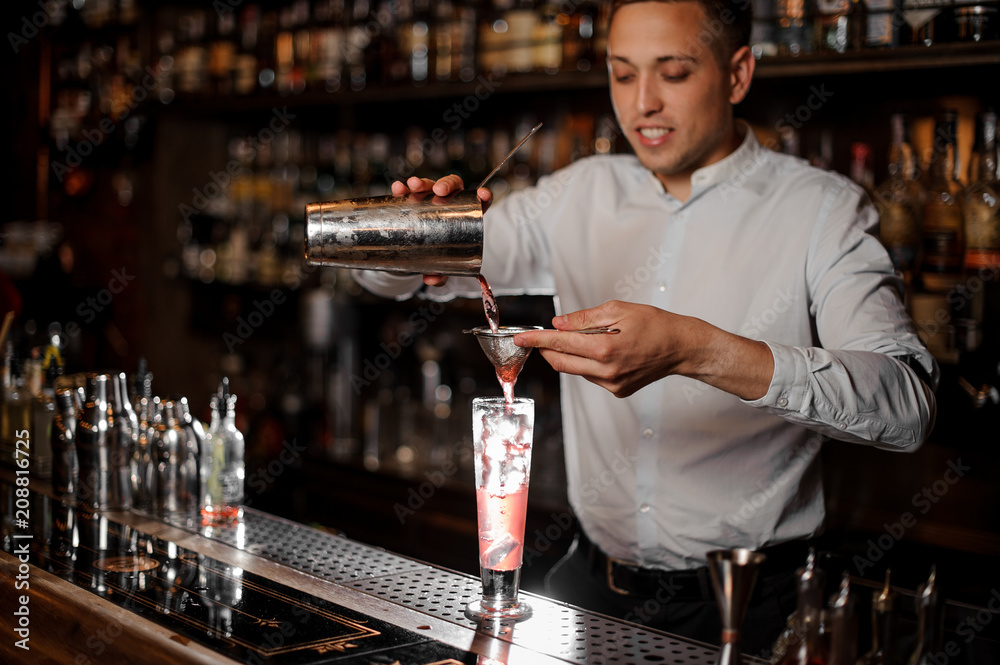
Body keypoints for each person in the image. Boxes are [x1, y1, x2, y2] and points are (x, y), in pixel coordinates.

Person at [355, 0, 938, 653]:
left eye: (674, 73)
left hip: (754, 603)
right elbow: (391, 278)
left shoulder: (823, 211)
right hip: (587, 587)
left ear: (739, 73)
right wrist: (402, 234)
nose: (643, 103)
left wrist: (700, 350)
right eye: (623, 74)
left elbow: (906, 403)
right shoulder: (578, 194)